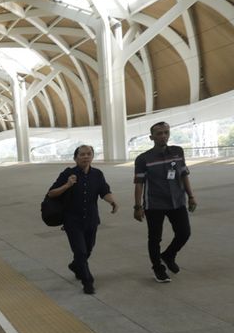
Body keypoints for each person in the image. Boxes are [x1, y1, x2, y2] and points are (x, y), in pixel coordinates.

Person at [46, 145, 118, 294]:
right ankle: (87, 281)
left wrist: (112, 201)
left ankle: (75, 266)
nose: (85, 157)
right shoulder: (68, 174)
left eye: (88, 154)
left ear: (92, 156)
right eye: (82, 154)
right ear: (75, 158)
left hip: (91, 219)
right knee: (80, 251)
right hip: (72, 221)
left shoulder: (97, 174)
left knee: (88, 249)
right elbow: (51, 193)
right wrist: (67, 185)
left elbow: (104, 191)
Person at [133, 121, 196, 283]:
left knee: (184, 233)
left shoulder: (177, 152)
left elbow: (183, 174)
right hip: (154, 204)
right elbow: (139, 183)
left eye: (166, 132)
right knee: (155, 238)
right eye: (159, 133)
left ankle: (168, 255)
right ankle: (158, 269)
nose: (163, 136)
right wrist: (138, 206)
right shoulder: (143, 159)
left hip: (177, 201)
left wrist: (191, 196)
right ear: (151, 137)